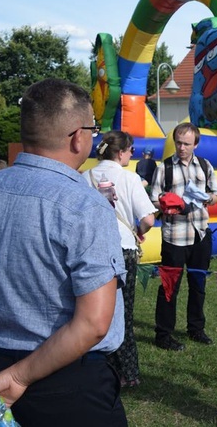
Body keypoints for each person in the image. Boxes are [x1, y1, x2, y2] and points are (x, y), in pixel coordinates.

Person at [0, 78, 128, 426]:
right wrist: (18, 376)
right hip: (66, 382)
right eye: (93, 128)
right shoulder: (86, 205)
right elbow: (92, 323)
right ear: (78, 136)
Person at [83, 131, 156, 388]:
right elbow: (148, 218)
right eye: (131, 150)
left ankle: (100, 369)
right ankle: (128, 373)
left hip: (92, 249)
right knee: (123, 313)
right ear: (121, 152)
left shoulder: (85, 177)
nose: (131, 155)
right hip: (123, 249)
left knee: (93, 312)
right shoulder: (130, 178)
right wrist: (140, 232)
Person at [150, 122, 217, 350]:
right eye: (178, 143)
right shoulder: (164, 168)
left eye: (186, 144)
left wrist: (208, 198)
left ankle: (196, 328)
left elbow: (215, 193)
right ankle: (163, 334)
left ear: (196, 144)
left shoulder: (205, 165)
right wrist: (168, 204)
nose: (181, 147)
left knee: (198, 284)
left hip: (200, 232)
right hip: (174, 236)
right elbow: (152, 199)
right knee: (170, 287)